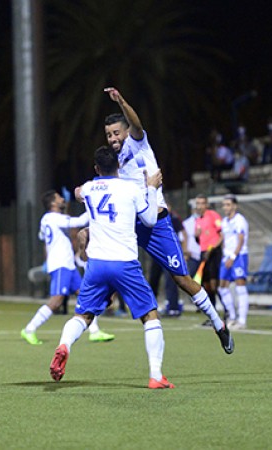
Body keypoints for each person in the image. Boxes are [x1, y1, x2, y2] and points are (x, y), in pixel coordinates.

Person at [98, 87, 233, 353]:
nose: (113, 138)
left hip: (157, 224)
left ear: (125, 131)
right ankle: (81, 329)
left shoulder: (138, 142)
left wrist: (122, 101)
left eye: (116, 132)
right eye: (108, 135)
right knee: (107, 269)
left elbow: (137, 124)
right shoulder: (114, 161)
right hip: (132, 225)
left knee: (181, 279)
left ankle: (219, 325)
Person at [49, 146, 173, 388]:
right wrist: (150, 187)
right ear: (118, 165)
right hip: (124, 263)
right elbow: (148, 220)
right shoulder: (131, 188)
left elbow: (77, 192)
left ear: (96, 169)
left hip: (96, 264)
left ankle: (64, 344)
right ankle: (156, 376)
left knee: (82, 315)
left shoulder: (88, 188)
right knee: (150, 316)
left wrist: (80, 191)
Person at [21, 190, 114, 345]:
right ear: (53, 203)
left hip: (67, 264)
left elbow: (42, 237)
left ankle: (95, 331)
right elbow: (78, 222)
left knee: (86, 296)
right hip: (60, 264)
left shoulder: (46, 220)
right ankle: (29, 329)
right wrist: (94, 206)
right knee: (56, 301)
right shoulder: (54, 218)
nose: (63, 199)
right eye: (59, 198)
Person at [217, 195, 251, 330]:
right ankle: (232, 316)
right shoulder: (224, 221)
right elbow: (224, 239)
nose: (226, 207)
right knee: (222, 287)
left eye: (228, 204)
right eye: (224, 205)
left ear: (234, 206)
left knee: (240, 286)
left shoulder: (240, 220)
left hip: (239, 256)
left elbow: (241, 240)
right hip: (227, 256)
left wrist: (233, 256)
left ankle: (242, 320)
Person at [149, 206, 184, 317]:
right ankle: (150, 306)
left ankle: (173, 307)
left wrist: (184, 250)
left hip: (169, 253)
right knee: (153, 279)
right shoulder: (151, 215)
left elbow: (183, 234)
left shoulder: (173, 217)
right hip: (157, 253)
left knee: (171, 280)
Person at [194, 194, 223, 318]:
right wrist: (196, 236)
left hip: (213, 252)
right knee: (205, 284)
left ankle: (226, 309)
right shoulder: (198, 220)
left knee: (213, 283)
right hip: (203, 252)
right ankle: (212, 314)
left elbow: (221, 235)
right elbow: (199, 240)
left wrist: (213, 248)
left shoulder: (213, 215)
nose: (199, 206)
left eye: (202, 203)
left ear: (206, 204)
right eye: (198, 203)